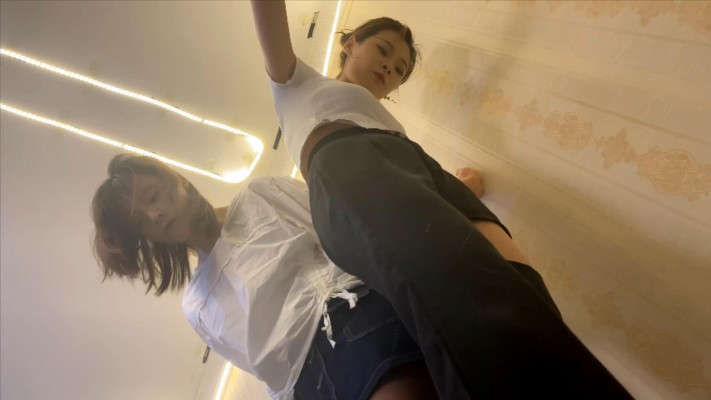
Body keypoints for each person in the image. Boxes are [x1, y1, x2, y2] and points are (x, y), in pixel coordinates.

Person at [251, 1, 632, 399]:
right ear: (350, 43)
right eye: (383, 51)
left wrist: (461, 187)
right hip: (347, 159)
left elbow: (410, 178)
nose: (390, 68)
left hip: (414, 167)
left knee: (523, 286)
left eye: (399, 69)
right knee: (465, 305)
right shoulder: (297, 84)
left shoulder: (386, 121)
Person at [92, 155, 499, 399]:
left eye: (152, 197)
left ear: (177, 180)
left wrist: (446, 202)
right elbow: (268, 374)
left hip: (351, 319)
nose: (156, 215)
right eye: (141, 221)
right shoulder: (197, 306)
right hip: (308, 386)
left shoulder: (260, 196)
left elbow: (352, 232)